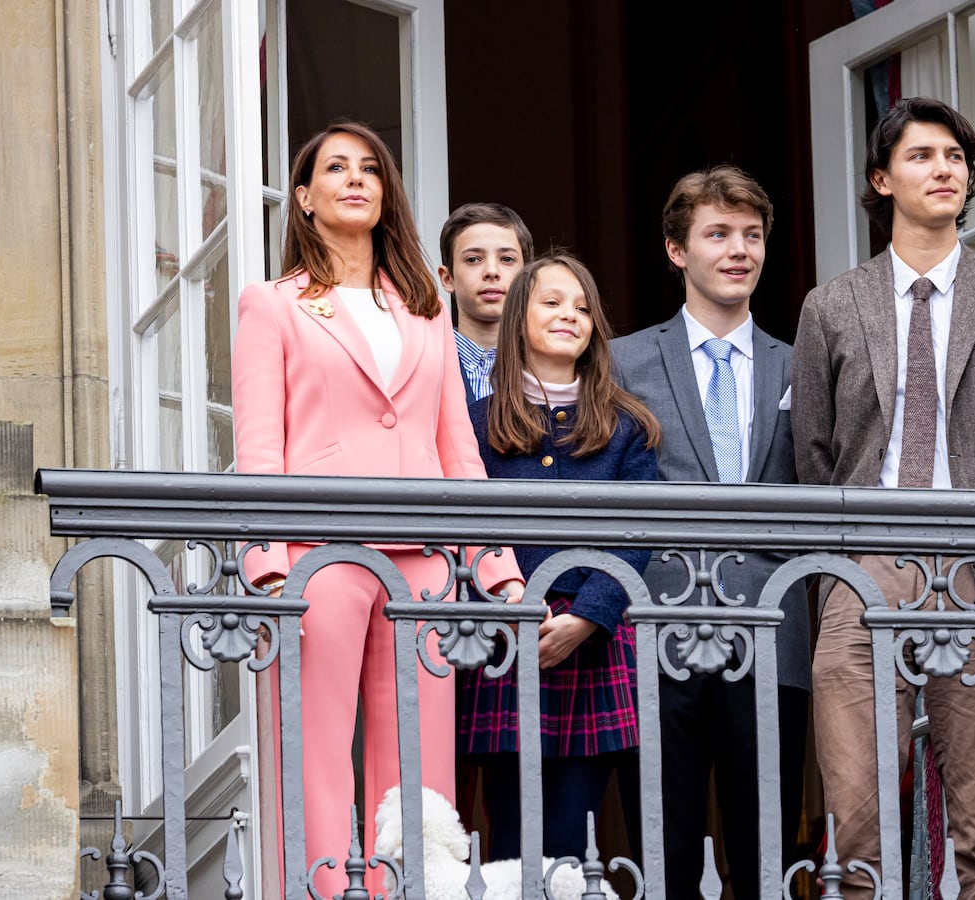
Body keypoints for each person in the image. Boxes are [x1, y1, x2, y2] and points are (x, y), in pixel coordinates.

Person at [230, 121, 524, 897]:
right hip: (318, 555)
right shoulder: (273, 305)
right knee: (314, 748)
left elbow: (456, 446)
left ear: (386, 191)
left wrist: (499, 570)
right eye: (335, 168)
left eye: (370, 168)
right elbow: (259, 442)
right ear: (304, 197)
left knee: (421, 758)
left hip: (423, 557)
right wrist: (265, 565)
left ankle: (410, 889)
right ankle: (319, 891)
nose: (355, 178)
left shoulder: (426, 307)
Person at [792, 98, 975, 900]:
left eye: (956, 159)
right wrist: (839, 569)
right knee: (858, 822)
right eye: (921, 156)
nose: (943, 170)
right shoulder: (831, 306)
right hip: (866, 567)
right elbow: (816, 454)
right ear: (881, 178)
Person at [611, 165, 809, 900]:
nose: (739, 250)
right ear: (676, 249)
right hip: (656, 630)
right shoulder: (624, 359)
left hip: (773, 628)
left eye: (752, 235)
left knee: (767, 859)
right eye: (718, 233)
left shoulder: (802, 362)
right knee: (663, 859)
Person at [459, 253, 662, 860]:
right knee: (509, 836)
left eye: (582, 307)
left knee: (572, 837)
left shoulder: (629, 426)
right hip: (506, 639)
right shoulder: (476, 419)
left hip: (594, 641)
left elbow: (638, 532)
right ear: (518, 317)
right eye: (552, 302)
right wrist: (511, 607)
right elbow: (466, 526)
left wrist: (588, 618)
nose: (570, 315)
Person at [437, 202, 536, 401]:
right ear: (448, 279)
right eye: (473, 259)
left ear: (528, 277)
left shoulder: (551, 365)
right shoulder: (426, 361)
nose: (492, 271)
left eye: (507, 259)